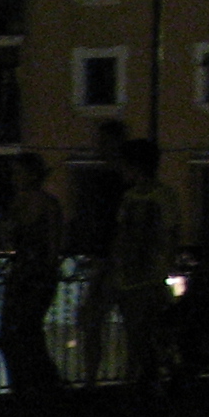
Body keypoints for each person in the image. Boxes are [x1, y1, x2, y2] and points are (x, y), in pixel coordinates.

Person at [84, 137, 175, 396]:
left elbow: (165, 234)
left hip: (141, 274)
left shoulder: (152, 196)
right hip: (131, 272)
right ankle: (136, 382)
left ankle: (137, 383)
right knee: (137, 332)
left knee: (139, 333)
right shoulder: (138, 196)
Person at [0, 150, 67, 402]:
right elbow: (9, 241)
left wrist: (46, 273)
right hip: (23, 272)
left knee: (26, 329)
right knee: (16, 332)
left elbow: (54, 245)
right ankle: (32, 384)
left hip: (37, 274)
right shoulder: (19, 203)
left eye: (19, 172)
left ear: (32, 174)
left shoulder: (47, 204)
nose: (14, 178)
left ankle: (38, 385)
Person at [69, 119, 130, 381]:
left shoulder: (111, 181)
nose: (99, 147)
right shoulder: (121, 181)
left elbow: (107, 223)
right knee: (125, 325)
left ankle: (92, 379)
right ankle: (128, 379)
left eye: (103, 142)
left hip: (111, 261)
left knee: (93, 322)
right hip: (118, 261)